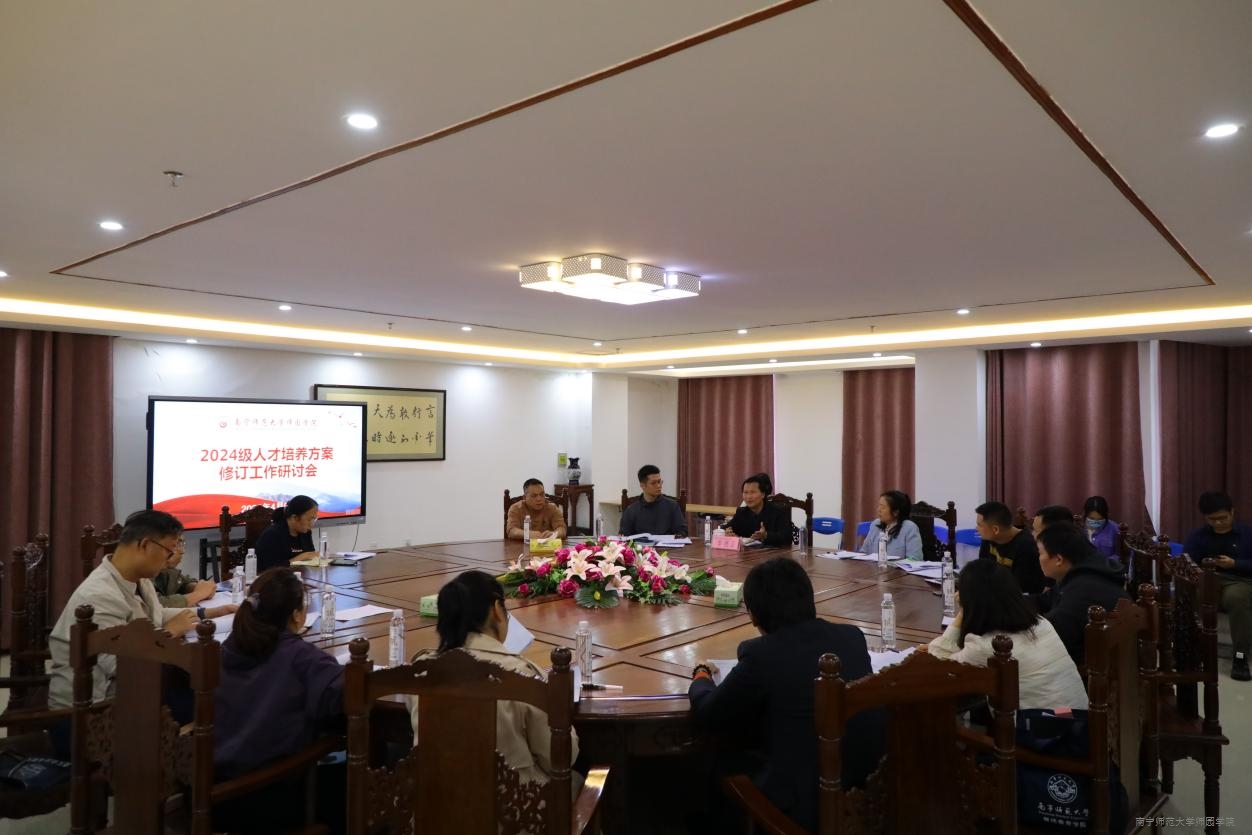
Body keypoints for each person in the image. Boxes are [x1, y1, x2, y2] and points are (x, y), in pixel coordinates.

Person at [688, 557, 884, 832]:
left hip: (801, 812)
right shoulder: (852, 637)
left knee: (719, 764)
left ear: (753, 615)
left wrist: (701, 675)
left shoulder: (761, 655)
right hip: (867, 797)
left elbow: (709, 712)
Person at [46, 510, 237, 752]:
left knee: (211, 689)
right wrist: (169, 632)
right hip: (90, 716)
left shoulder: (138, 578)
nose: (170, 559)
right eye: (169, 550)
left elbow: (155, 615)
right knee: (210, 698)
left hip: (129, 692)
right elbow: (122, 665)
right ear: (145, 545)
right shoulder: (98, 595)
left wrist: (210, 613)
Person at [409, 571, 582, 794]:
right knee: (580, 781)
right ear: (497, 610)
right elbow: (560, 756)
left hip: (433, 806)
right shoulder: (520, 674)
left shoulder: (421, 670)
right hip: (513, 809)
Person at [213, 567, 345, 834]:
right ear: (297, 615)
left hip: (217, 792)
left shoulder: (226, 649)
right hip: (271, 797)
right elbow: (343, 705)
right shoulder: (302, 658)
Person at [922, 560, 1087, 710]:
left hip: (1041, 728)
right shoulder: (1040, 623)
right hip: (1077, 719)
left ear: (972, 602)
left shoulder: (987, 646)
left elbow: (937, 667)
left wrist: (962, 614)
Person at [1034, 524, 1129, 666]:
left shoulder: (1085, 589)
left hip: (1092, 670)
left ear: (1059, 559)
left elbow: (1049, 633)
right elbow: (1043, 601)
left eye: (1040, 553)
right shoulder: (1080, 574)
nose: (1039, 559)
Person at [1182, 491, 1252, 682]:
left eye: (1223, 518)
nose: (1218, 523)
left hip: (1240, 580)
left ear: (1232, 512)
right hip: (1207, 578)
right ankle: (1189, 648)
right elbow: (1186, 562)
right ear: (1205, 517)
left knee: (1236, 598)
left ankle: (1240, 656)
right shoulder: (1197, 536)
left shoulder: (1247, 534)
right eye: (1213, 519)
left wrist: (1235, 564)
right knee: (1188, 595)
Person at [976, 501, 1047, 594]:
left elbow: (1018, 588)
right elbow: (982, 571)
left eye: (979, 525)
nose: (976, 528)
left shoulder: (1026, 546)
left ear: (995, 529)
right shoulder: (989, 538)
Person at [618, 465, 688, 537]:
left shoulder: (672, 506)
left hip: (667, 544)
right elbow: (623, 536)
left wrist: (680, 535)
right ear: (642, 486)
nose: (658, 486)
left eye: (659, 482)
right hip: (640, 544)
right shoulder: (631, 510)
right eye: (653, 483)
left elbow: (682, 531)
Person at [726, 473, 792, 548]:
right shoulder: (741, 512)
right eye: (745, 492)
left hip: (773, 553)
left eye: (753, 492)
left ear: (763, 494)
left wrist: (766, 535)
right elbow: (726, 528)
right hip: (747, 553)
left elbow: (787, 537)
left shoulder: (778, 511)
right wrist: (728, 532)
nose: (748, 497)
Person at [254, 495, 319, 571]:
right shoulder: (272, 534)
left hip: (297, 574)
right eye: (309, 520)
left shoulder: (305, 532)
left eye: (314, 520)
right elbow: (272, 568)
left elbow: (311, 556)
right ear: (295, 518)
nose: (312, 525)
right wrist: (301, 557)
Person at [152, 536, 217, 607]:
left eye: (181, 544)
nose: (182, 551)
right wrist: (198, 594)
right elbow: (154, 606)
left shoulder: (167, 570)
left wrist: (198, 587)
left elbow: (181, 582)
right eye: (176, 544)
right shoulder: (143, 575)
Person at [860, 490, 923, 559]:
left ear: (896, 512)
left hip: (897, 566)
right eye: (879, 506)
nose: (878, 510)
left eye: (883, 507)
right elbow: (864, 552)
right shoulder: (876, 524)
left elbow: (915, 559)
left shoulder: (909, 528)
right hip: (873, 565)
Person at [1082, 496, 1121, 562]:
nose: (1095, 522)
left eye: (1100, 519)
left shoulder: (1115, 529)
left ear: (1106, 515)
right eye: (1091, 518)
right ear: (1085, 514)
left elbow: (1120, 555)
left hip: (1107, 566)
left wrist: (1104, 562)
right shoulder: (1079, 528)